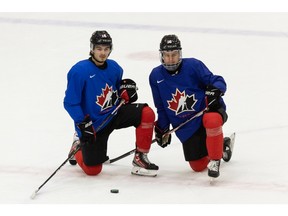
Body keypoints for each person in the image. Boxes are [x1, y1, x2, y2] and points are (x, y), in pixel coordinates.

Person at [63, 30, 158, 177]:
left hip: (113, 114)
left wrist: (126, 91)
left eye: (106, 49)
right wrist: (82, 123)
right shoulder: (79, 71)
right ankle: (78, 147)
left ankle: (140, 158)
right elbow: (70, 103)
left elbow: (115, 92)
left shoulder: (115, 68)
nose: (103, 53)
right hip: (93, 125)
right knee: (93, 170)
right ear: (92, 49)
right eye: (99, 49)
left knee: (146, 113)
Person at [149, 34, 232, 179]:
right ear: (161, 55)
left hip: (205, 113)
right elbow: (161, 107)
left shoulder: (193, 65)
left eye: (174, 54)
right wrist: (162, 128)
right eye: (166, 55)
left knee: (212, 119)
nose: (170, 58)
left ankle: (215, 160)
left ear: (179, 54)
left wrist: (216, 89)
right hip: (186, 126)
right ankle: (222, 145)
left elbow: (217, 80)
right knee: (198, 166)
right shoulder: (155, 76)